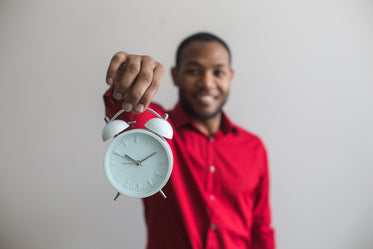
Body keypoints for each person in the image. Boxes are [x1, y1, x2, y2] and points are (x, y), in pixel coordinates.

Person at [103, 32, 275, 249]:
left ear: (230, 76)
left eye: (218, 72)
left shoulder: (253, 148)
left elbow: (260, 228)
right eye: (194, 71)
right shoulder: (155, 130)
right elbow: (127, 113)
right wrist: (125, 83)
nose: (206, 83)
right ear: (176, 75)